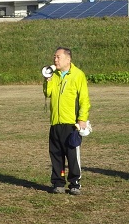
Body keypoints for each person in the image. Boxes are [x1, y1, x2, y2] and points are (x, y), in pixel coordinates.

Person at [43, 47, 91, 195]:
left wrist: (82, 119)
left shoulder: (78, 75)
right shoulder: (54, 75)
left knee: (72, 155)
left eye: (58, 57)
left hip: (71, 124)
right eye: (54, 57)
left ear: (68, 59)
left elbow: (84, 99)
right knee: (56, 154)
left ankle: (75, 183)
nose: (55, 60)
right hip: (55, 122)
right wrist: (48, 80)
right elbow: (48, 93)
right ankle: (58, 183)